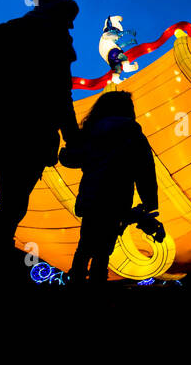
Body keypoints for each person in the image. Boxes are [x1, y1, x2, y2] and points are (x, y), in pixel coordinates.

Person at [0, 0, 81, 259]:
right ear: (57, 16)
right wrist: (73, 139)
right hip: (32, 137)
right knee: (12, 207)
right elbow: (60, 95)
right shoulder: (51, 41)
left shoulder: (11, 43)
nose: (71, 27)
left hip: (3, 134)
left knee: (10, 205)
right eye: (69, 19)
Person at [58, 89, 163, 286]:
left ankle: (76, 285)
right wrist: (150, 203)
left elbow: (72, 158)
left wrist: (64, 154)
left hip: (92, 198)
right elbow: (145, 170)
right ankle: (97, 286)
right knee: (104, 250)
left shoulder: (92, 132)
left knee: (85, 246)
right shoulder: (134, 135)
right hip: (117, 200)